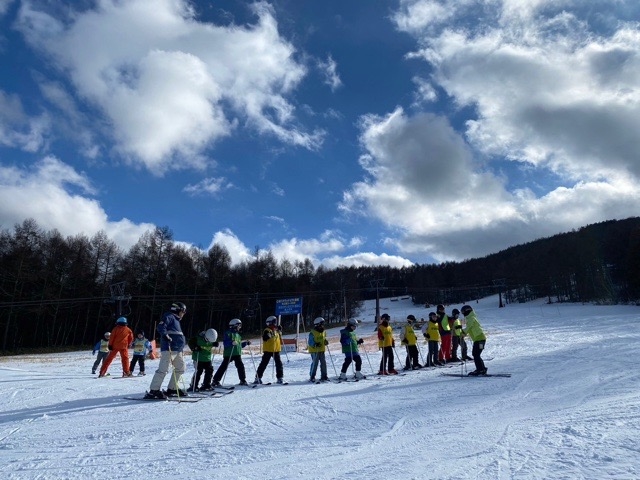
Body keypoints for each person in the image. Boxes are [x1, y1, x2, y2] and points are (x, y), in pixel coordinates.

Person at [145, 302, 188, 399]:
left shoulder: (177, 320)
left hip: (177, 350)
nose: (184, 313)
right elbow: (161, 327)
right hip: (169, 348)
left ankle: (172, 388)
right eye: (183, 311)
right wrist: (165, 335)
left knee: (181, 368)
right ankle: (154, 390)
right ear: (177, 310)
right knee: (163, 369)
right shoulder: (169, 316)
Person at [212, 319, 251, 386]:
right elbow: (225, 343)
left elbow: (239, 345)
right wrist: (231, 342)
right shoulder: (228, 333)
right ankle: (215, 381)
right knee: (223, 367)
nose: (239, 327)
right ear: (234, 326)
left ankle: (243, 380)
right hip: (229, 353)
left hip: (237, 353)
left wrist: (245, 343)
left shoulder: (238, 335)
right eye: (239, 326)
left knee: (240, 366)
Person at [254, 316, 284, 384]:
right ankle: (258, 378)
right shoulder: (267, 330)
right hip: (268, 350)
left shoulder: (276, 330)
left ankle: (280, 378)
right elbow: (265, 337)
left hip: (276, 350)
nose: (275, 324)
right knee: (264, 364)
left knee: (279, 364)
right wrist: (268, 335)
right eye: (274, 322)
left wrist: (280, 331)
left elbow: (279, 337)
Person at [460, 305, 487, 375]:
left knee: (476, 354)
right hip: (478, 339)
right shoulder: (471, 317)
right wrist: (464, 333)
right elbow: (470, 328)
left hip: (480, 339)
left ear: (467, 311)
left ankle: (480, 370)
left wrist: (463, 332)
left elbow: (469, 326)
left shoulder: (471, 318)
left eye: (463, 312)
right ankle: (482, 369)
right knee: (476, 354)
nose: (463, 314)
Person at [308, 317, 329, 382]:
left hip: (322, 349)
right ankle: (312, 376)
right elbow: (310, 341)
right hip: (315, 350)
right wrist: (315, 344)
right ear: (317, 325)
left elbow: (324, 338)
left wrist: (325, 341)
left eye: (323, 324)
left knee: (323, 363)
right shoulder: (312, 332)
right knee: (315, 363)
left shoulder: (323, 331)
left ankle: (324, 376)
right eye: (321, 324)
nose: (322, 325)